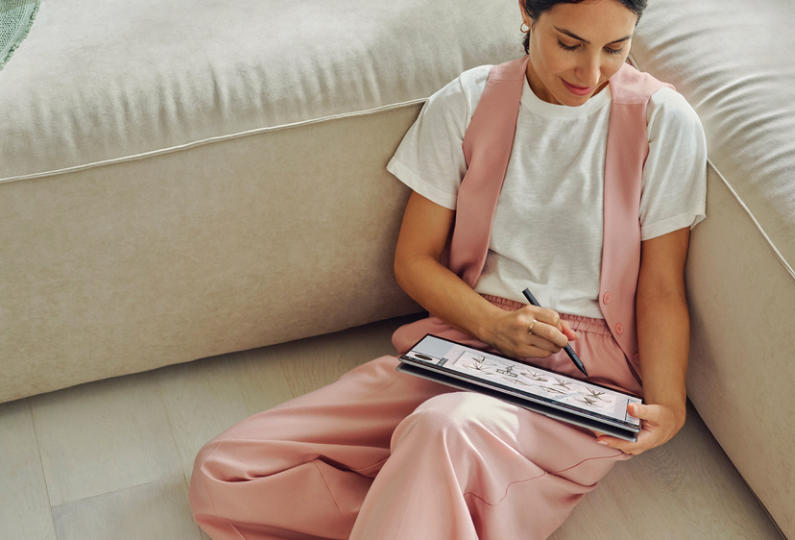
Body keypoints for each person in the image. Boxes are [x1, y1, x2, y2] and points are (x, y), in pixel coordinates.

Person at [188, 0, 707, 538]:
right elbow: (414, 261)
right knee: (224, 472)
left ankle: (420, 509)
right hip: (462, 344)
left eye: (615, 49)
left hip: (584, 376)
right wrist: (490, 324)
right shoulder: (469, 100)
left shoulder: (662, 121)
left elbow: (662, 288)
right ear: (528, 13)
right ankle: (425, 513)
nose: (590, 71)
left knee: (443, 430)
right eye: (570, 44)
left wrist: (668, 405)